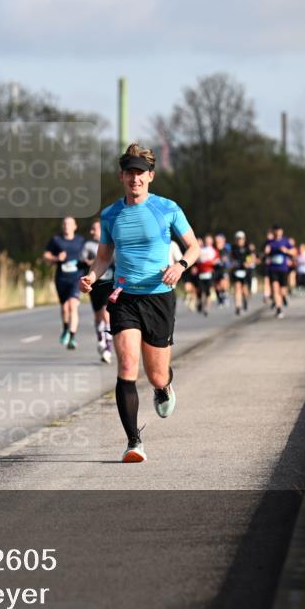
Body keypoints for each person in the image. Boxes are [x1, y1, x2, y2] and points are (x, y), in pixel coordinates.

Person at [80, 143, 200, 463]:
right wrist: (91, 276)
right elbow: (104, 256)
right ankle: (134, 442)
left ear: (150, 176)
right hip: (124, 297)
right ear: (121, 176)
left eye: (140, 173)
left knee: (157, 374)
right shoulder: (110, 214)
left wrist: (180, 266)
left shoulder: (167, 208)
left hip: (158, 296)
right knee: (127, 366)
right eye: (129, 173)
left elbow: (193, 247)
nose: (135, 178)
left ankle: (163, 388)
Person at [44, 216, 86, 350]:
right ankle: (65, 328)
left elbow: (88, 254)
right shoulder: (56, 240)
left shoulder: (80, 241)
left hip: (76, 278)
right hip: (61, 279)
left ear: (75, 226)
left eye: (69, 224)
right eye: (64, 224)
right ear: (62, 226)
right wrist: (56, 258)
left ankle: (72, 337)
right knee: (64, 308)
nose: (67, 226)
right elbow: (46, 256)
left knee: (73, 305)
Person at [81, 220, 115, 363]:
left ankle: (108, 347)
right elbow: (81, 260)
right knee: (97, 316)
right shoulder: (88, 245)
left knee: (106, 314)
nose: (92, 232)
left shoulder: (112, 243)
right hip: (95, 284)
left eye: (94, 229)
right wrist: (89, 262)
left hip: (109, 283)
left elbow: (117, 260)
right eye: (91, 229)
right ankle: (101, 338)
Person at [265, 224, 296, 318]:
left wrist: (286, 251)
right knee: (275, 288)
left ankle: (284, 297)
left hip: (283, 269)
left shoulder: (286, 241)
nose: (278, 232)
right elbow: (266, 252)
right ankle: (279, 309)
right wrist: (267, 251)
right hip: (273, 269)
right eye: (276, 230)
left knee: (282, 290)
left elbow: (294, 252)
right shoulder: (270, 242)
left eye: (279, 230)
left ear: (282, 231)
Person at [228, 230, 255, 316]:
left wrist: (248, 263)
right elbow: (230, 258)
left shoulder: (247, 248)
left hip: (245, 270)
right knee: (237, 288)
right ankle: (238, 307)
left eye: (241, 239)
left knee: (245, 289)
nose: (240, 240)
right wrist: (232, 264)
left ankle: (245, 300)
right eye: (238, 239)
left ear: (244, 239)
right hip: (237, 270)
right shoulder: (233, 248)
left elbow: (251, 257)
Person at [195, 234, 219, 317]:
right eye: (206, 240)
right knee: (200, 290)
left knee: (208, 291)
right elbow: (196, 260)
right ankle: (200, 302)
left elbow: (216, 262)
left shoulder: (214, 250)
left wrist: (209, 264)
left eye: (209, 240)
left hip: (209, 273)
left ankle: (207, 308)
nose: (208, 242)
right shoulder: (200, 249)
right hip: (200, 273)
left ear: (212, 241)